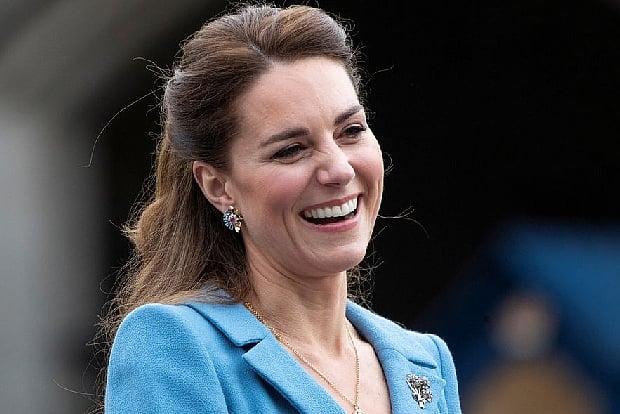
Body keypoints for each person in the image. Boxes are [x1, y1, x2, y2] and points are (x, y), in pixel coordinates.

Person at [101, 3, 462, 413]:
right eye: (291, 150)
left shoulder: (426, 361)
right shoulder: (176, 345)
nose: (339, 170)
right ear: (218, 187)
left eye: (351, 131)